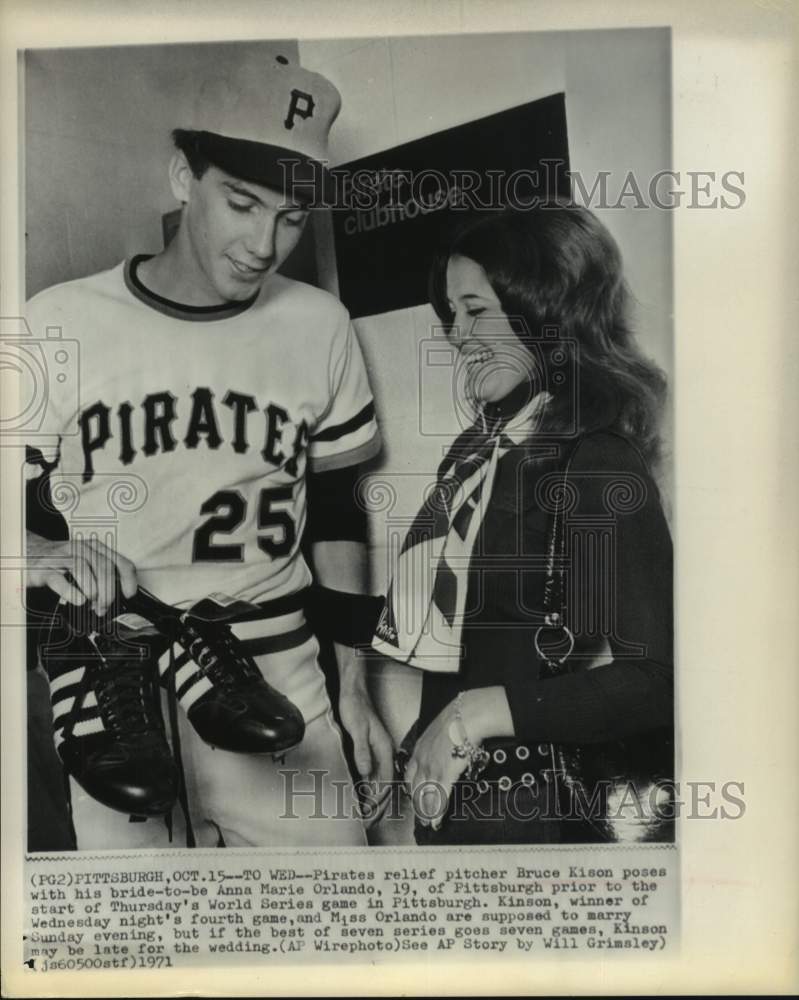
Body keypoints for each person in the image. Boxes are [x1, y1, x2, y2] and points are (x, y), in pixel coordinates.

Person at [24, 55, 394, 849]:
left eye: (292, 217)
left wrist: (356, 692)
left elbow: (335, 513)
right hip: (114, 680)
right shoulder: (55, 321)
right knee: (137, 924)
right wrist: (34, 548)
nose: (265, 243)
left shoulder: (319, 324)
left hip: (275, 670)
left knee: (330, 913)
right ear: (182, 177)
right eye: (242, 203)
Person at [373, 202, 674, 845]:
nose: (457, 334)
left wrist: (471, 715)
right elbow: (451, 621)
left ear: (545, 308)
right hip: (454, 812)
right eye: (451, 313)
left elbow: (654, 682)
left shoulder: (595, 460)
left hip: (534, 814)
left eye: (475, 309)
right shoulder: (478, 456)